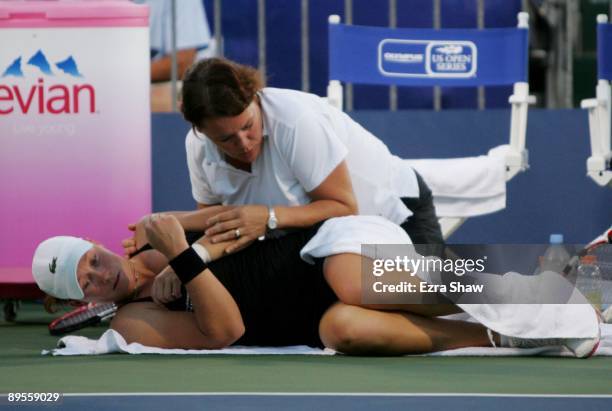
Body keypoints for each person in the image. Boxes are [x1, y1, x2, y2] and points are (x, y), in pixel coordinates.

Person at [33, 212, 600, 357]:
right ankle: (504, 338)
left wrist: (190, 251)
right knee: (343, 327)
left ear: (94, 244)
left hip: (313, 255)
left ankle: (534, 282)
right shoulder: (134, 322)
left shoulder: (151, 234)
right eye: (79, 281)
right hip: (302, 317)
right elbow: (224, 329)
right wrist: (185, 259)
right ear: (85, 301)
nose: (91, 272)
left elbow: (240, 225)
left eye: (84, 258)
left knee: (349, 280)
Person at [177, 57, 443, 276]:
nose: (243, 143)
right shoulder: (197, 146)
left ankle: (483, 286)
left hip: (398, 213)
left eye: (248, 126)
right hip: (334, 242)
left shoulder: (295, 119)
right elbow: (216, 226)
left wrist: (268, 217)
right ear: (200, 130)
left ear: (255, 99)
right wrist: (181, 266)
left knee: (463, 295)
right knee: (348, 323)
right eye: (225, 139)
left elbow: (344, 207)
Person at [133, 0, 216, 111]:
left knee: (173, 98)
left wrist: (122, 76)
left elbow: (182, 64)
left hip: (167, 86)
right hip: (125, 85)